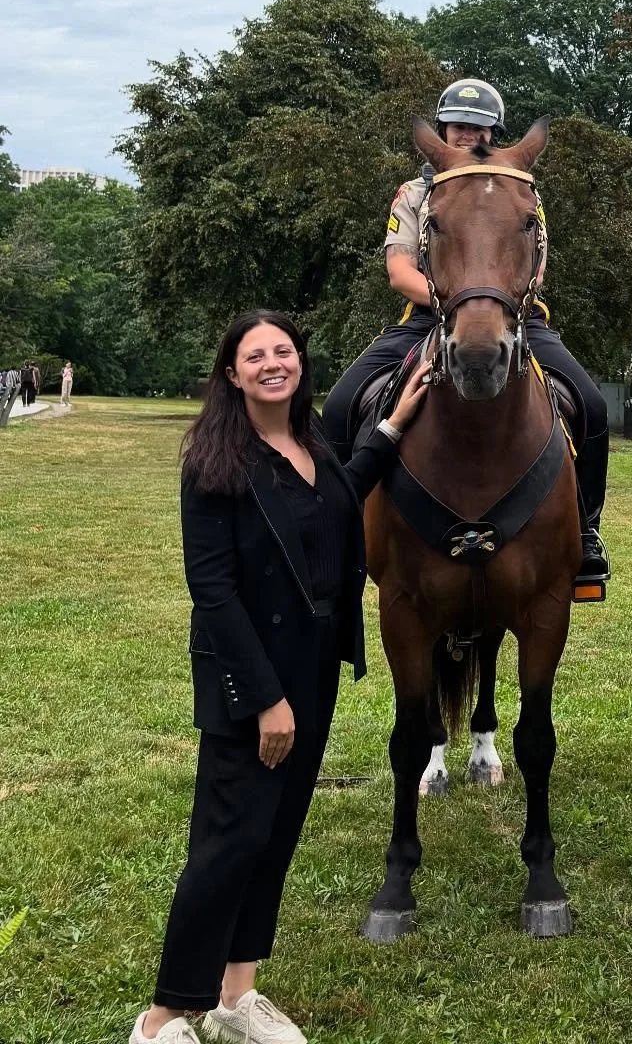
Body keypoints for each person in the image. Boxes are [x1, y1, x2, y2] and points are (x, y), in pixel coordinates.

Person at [132, 310, 429, 1044]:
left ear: (300, 362)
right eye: (255, 355)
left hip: (314, 663)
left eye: (284, 350)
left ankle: (235, 997)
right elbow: (212, 590)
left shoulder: (310, 442)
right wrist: (266, 700)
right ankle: (163, 1017)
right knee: (228, 841)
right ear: (232, 374)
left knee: (276, 834)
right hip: (252, 676)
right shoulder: (215, 460)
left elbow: (344, 494)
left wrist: (392, 425)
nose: (273, 363)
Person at [319, 79, 612, 593]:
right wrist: (455, 304)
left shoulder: (520, 187)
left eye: (477, 127)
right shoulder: (415, 193)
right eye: (457, 125)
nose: (466, 134)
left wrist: (490, 307)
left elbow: (535, 267)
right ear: (443, 129)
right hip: (428, 314)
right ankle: (333, 527)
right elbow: (400, 270)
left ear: (493, 133)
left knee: (591, 404)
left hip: (513, 316)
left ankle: (585, 532)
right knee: (341, 404)